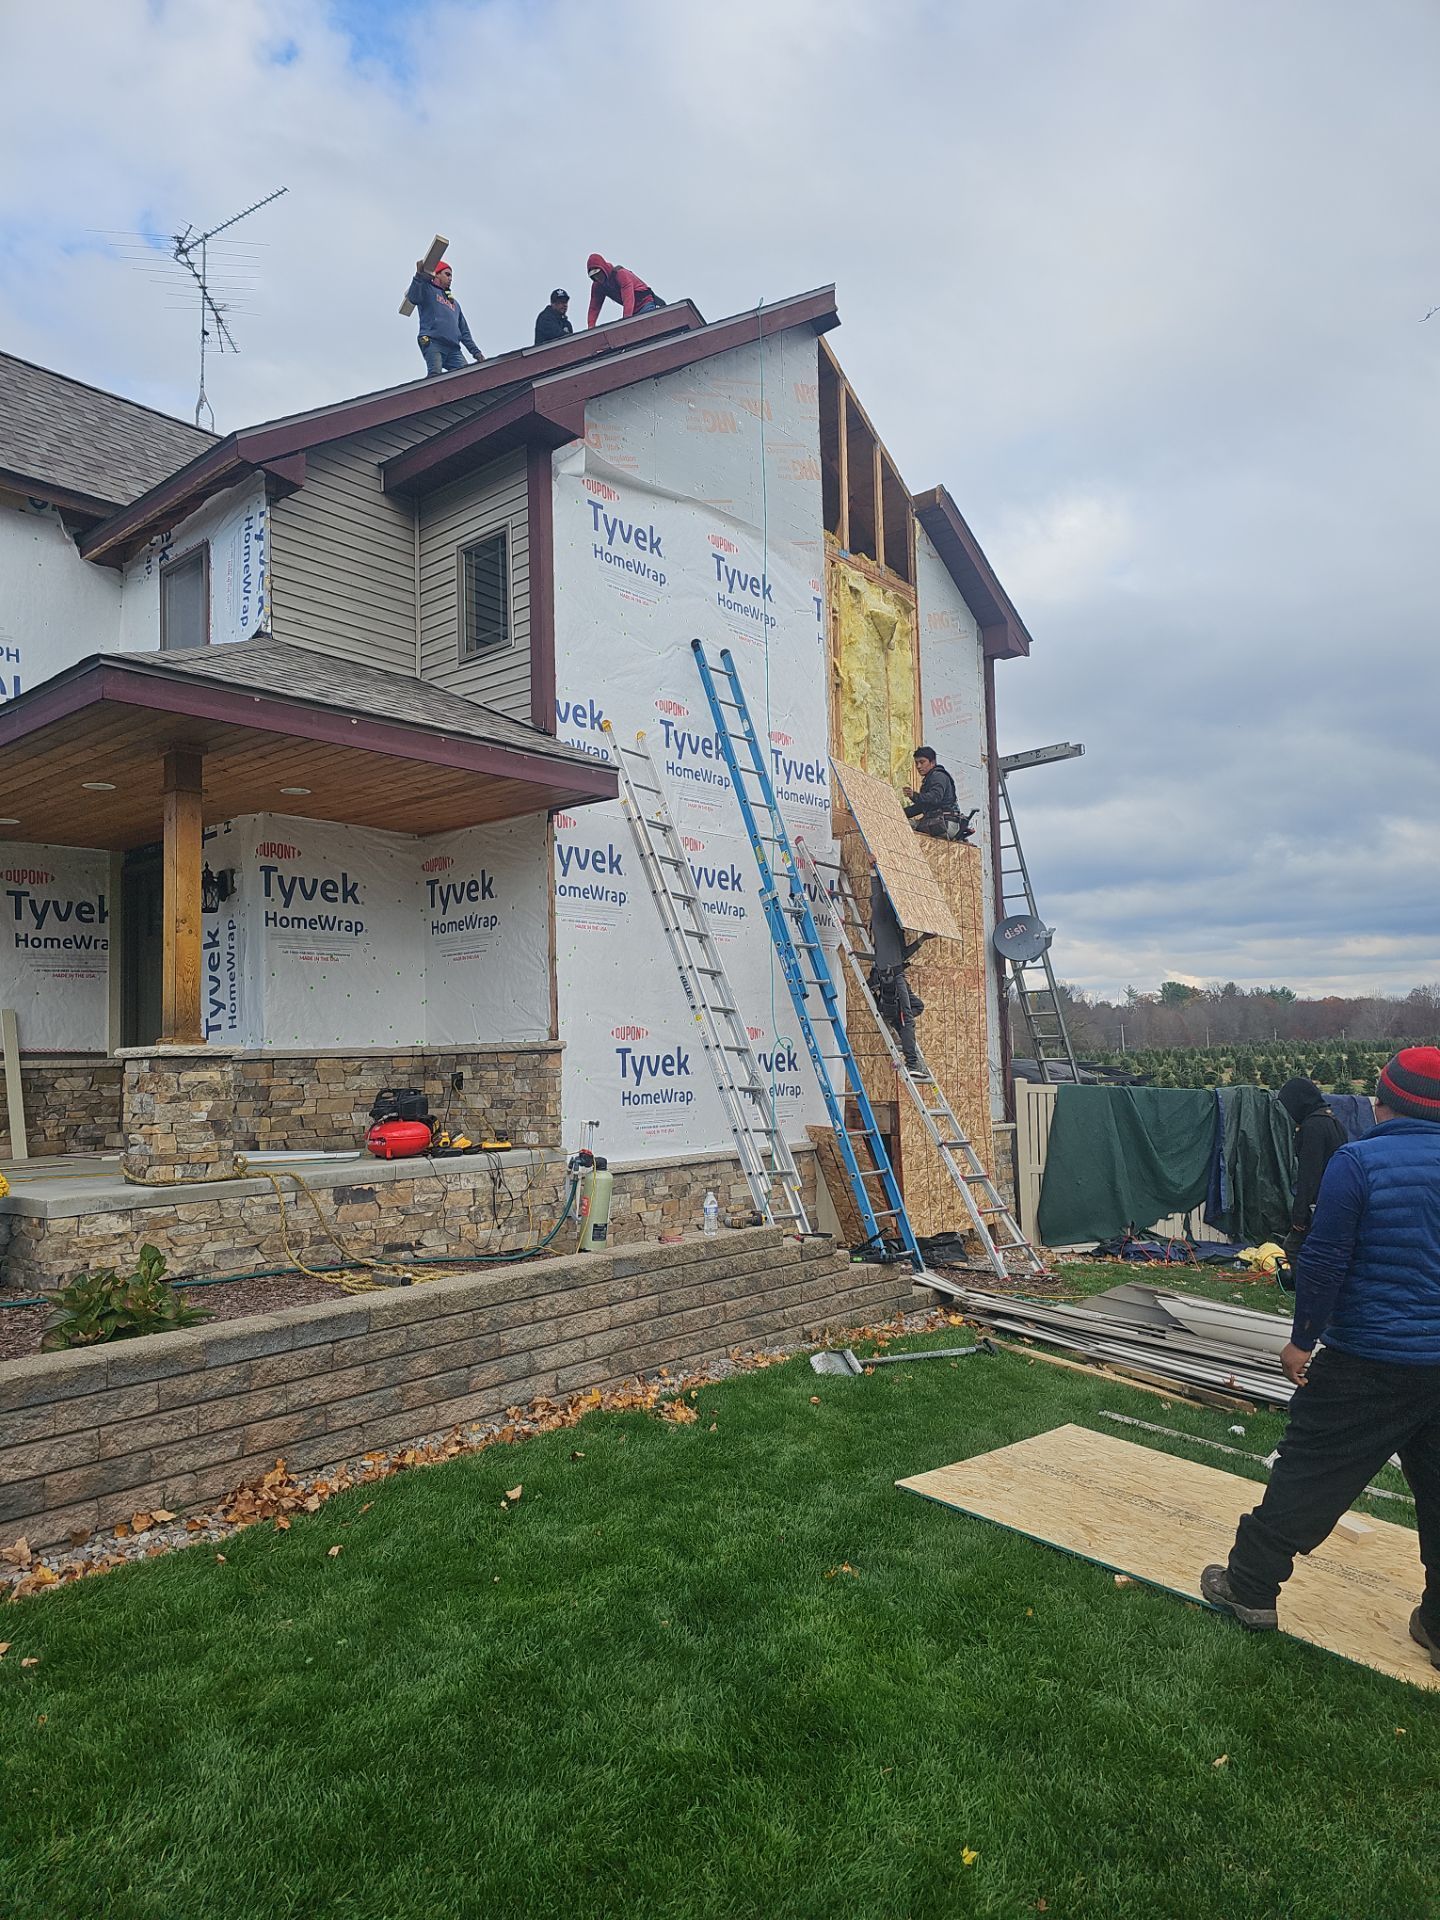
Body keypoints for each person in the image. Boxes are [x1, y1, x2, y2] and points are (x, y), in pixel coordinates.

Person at [1201, 1047, 1440, 1670]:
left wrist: (1301, 1339)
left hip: (1368, 1357)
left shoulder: (1358, 1161)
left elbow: (1326, 1259)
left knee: (1309, 1472)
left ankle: (1249, 1589)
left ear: (1384, 1102)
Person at [1275, 1075, 1347, 1267]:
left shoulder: (1313, 1127)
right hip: (1337, 1199)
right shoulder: (1333, 1121)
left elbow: (1309, 1173)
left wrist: (1299, 1214)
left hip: (1318, 1202)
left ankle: (1306, 1290)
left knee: (1294, 1247)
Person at [868, 871, 928, 1070]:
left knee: (917, 1006)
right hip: (890, 977)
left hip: (897, 973)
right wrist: (873, 872)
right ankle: (912, 1063)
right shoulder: (881, 921)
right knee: (908, 1017)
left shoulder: (895, 928)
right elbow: (878, 898)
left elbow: (902, 955)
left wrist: (921, 940)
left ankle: (896, 1022)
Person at [404, 258, 483, 377]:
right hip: (433, 342)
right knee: (435, 376)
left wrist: (476, 353)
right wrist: (419, 276)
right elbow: (413, 298)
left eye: (451, 276)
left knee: (466, 377)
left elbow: (464, 332)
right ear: (437, 274)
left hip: (453, 349)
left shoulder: (454, 304)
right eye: (447, 274)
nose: (450, 278)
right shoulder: (427, 289)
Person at [903, 747, 972, 840]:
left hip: (943, 823)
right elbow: (922, 806)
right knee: (904, 821)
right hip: (940, 823)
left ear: (932, 762)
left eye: (922, 762)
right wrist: (900, 812)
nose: (918, 766)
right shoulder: (931, 778)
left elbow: (935, 798)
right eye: (916, 763)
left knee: (903, 825)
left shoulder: (938, 776)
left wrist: (914, 796)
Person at [586, 254, 664, 327]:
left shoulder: (620, 274)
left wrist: (626, 321)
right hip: (633, 311)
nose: (597, 277)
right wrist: (590, 327)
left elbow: (628, 298)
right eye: (594, 276)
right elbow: (594, 307)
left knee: (649, 327)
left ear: (603, 269)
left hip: (645, 304)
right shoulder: (598, 286)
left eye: (598, 273)